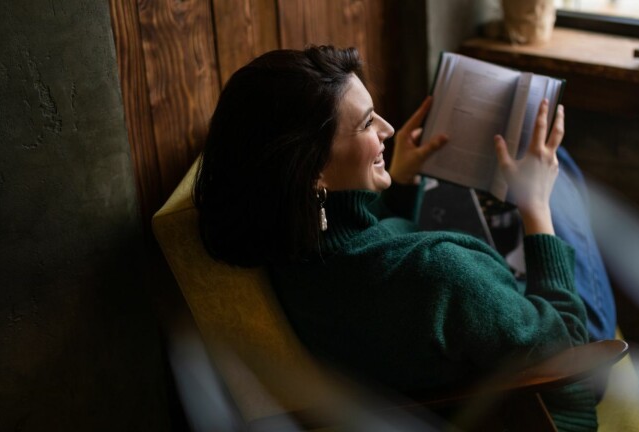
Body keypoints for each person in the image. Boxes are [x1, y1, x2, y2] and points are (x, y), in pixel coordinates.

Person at [193, 45, 616, 431]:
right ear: (313, 171)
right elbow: (569, 357)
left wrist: (402, 179)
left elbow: (372, 272)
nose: (389, 128)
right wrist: (535, 208)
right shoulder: (442, 273)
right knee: (558, 167)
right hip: (553, 398)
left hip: (478, 352)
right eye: (365, 123)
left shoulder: (284, 242)